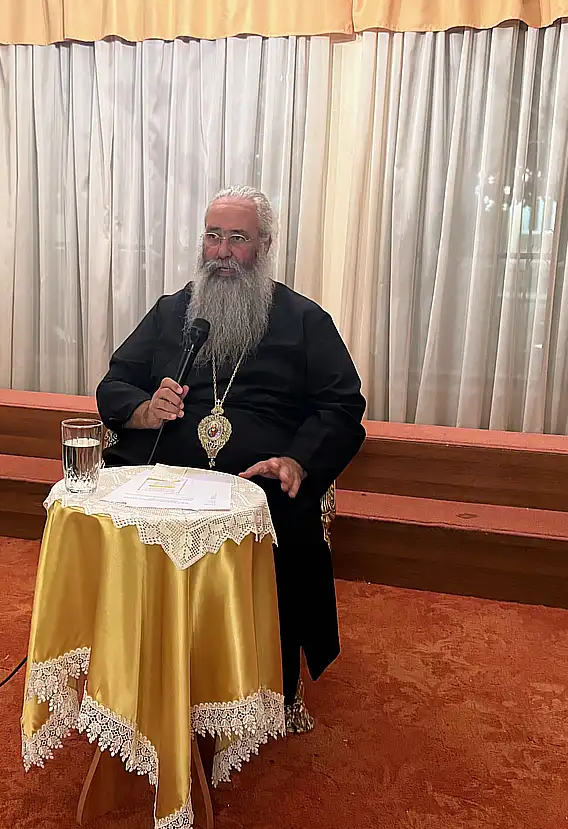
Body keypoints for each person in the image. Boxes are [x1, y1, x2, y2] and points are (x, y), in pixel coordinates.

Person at [96, 185, 366, 733]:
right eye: (213, 236)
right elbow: (114, 383)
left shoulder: (304, 321)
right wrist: (145, 410)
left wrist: (298, 460)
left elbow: (342, 406)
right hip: (167, 476)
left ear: (264, 246)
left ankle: (264, 678)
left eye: (237, 238)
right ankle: (135, 662)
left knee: (285, 517)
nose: (221, 252)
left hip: (260, 480)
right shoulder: (173, 313)